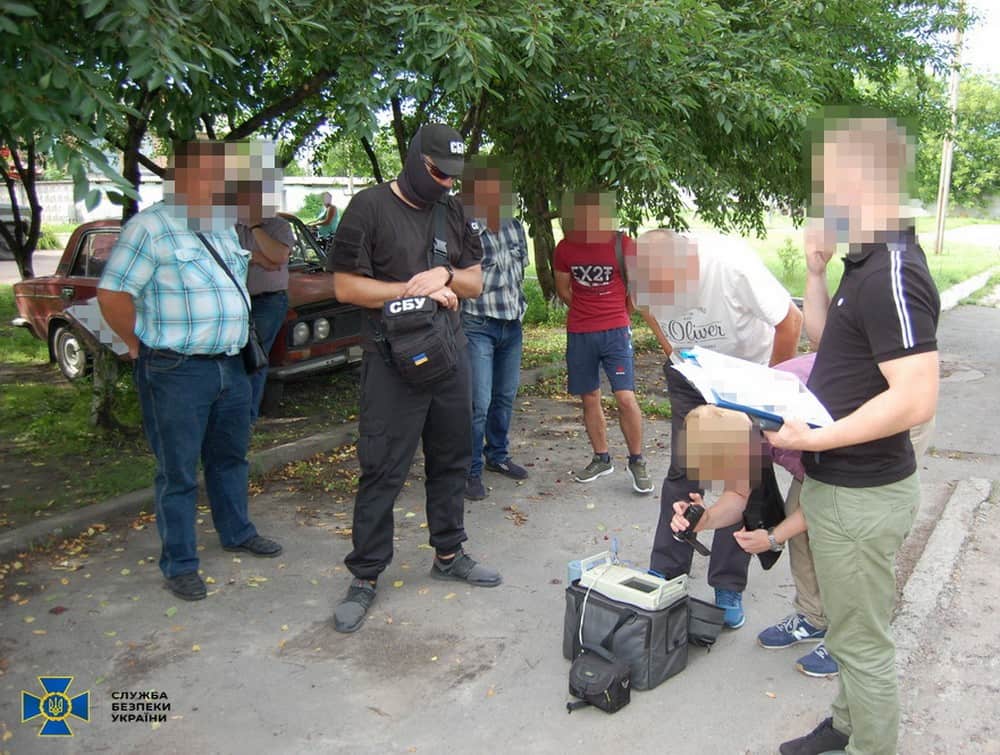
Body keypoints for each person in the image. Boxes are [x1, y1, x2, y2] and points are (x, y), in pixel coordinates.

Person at [767, 111, 940, 755]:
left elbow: (917, 398)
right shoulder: (862, 264)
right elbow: (828, 347)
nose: (820, 199)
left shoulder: (895, 269)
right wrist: (815, 271)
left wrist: (815, 440)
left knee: (863, 645)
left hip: (864, 495)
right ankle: (844, 727)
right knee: (846, 631)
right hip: (839, 487)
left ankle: (870, 744)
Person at [327, 123, 502, 634]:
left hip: (448, 356)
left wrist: (446, 277)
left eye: (452, 175)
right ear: (412, 159)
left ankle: (449, 553)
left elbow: (475, 278)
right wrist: (412, 291)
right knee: (382, 468)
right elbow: (344, 287)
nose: (445, 183)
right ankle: (364, 575)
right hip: (392, 362)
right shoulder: (370, 207)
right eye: (436, 172)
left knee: (451, 458)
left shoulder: (453, 208)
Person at [97, 140, 283, 602]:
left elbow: (266, 260)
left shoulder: (220, 226)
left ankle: (237, 530)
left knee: (230, 458)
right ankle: (179, 563)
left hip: (230, 366)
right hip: (177, 370)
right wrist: (138, 346)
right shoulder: (149, 228)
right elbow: (113, 295)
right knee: (178, 471)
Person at [628, 228, 802, 628]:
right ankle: (667, 572)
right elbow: (646, 309)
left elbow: (791, 321)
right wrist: (676, 355)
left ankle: (727, 583)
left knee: (741, 479)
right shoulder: (646, 276)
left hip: (746, 380)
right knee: (684, 470)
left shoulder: (731, 266)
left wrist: (769, 391)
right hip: (691, 375)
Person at [553, 190, 653, 495]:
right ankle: (602, 458)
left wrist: (617, 314)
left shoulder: (623, 245)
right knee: (590, 398)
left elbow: (637, 292)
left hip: (615, 332)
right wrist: (587, 312)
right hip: (581, 332)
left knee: (625, 398)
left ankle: (637, 461)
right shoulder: (565, 248)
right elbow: (563, 290)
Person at [459, 158, 530, 500]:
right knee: (478, 403)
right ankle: (469, 470)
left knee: (504, 398)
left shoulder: (516, 227)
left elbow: (518, 276)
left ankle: (497, 457)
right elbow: (461, 282)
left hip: (511, 326)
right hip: (477, 325)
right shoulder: (464, 231)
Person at [235, 199, 294, 423]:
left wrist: (255, 228)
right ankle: (236, 415)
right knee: (235, 358)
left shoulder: (278, 226)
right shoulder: (229, 226)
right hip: (237, 300)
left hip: (267, 302)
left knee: (254, 357)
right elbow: (226, 256)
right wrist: (257, 257)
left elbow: (278, 257)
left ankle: (247, 418)